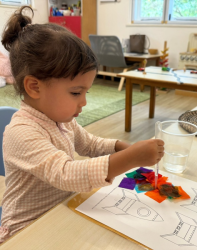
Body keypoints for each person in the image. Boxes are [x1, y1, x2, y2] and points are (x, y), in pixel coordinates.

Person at [0, 6, 164, 242]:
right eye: (76, 92)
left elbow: (90, 144)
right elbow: (65, 173)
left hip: (62, 211)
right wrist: (131, 159)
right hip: (26, 230)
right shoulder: (21, 132)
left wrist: (121, 146)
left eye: (86, 92)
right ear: (34, 87)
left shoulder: (62, 120)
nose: (84, 102)